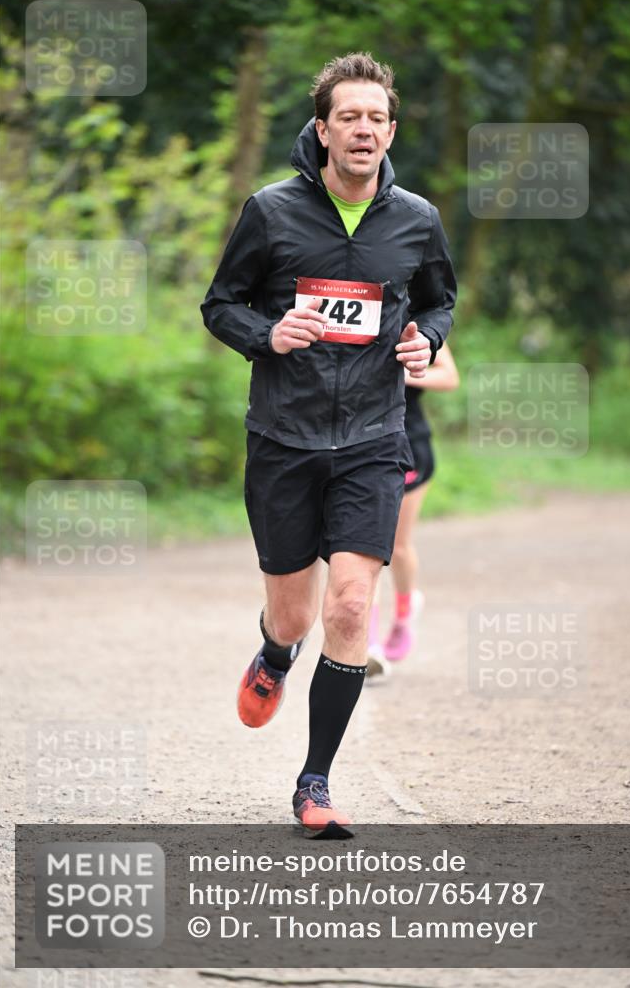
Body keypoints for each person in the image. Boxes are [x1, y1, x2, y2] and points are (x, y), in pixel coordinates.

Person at [201, 53, 457, 835]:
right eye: (349, 116)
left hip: (375, 440)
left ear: (390, 131)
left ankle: (314, 783)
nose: (363, 129)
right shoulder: (271, 212)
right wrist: (267, 333)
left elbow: (439, 299)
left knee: (349, 605)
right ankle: (275, 656)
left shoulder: (415, 219)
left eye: (377, 118)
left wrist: (425, 339)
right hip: (284, 436)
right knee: (294, 615)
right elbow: (220, 304)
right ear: (321, 130)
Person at [366, 343, 460, 681]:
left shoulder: (417, 320)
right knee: (365, 545)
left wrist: (402, 374)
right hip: (361, 443)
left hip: (410, 442)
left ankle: (405, 615)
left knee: (396, 545)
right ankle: (369, 645)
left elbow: (449, 376)